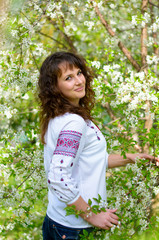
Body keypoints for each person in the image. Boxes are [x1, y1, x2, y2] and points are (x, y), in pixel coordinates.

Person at [38, 51, 159, 240]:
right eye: (68, 78)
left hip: (59, 222)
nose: (79, 81)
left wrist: (131, 158)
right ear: (54, 87)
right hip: (73, 229)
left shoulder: (63, 117)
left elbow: (89, 161)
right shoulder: (73, 124)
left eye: (79, 73)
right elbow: (58, 176)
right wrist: (91, 215)